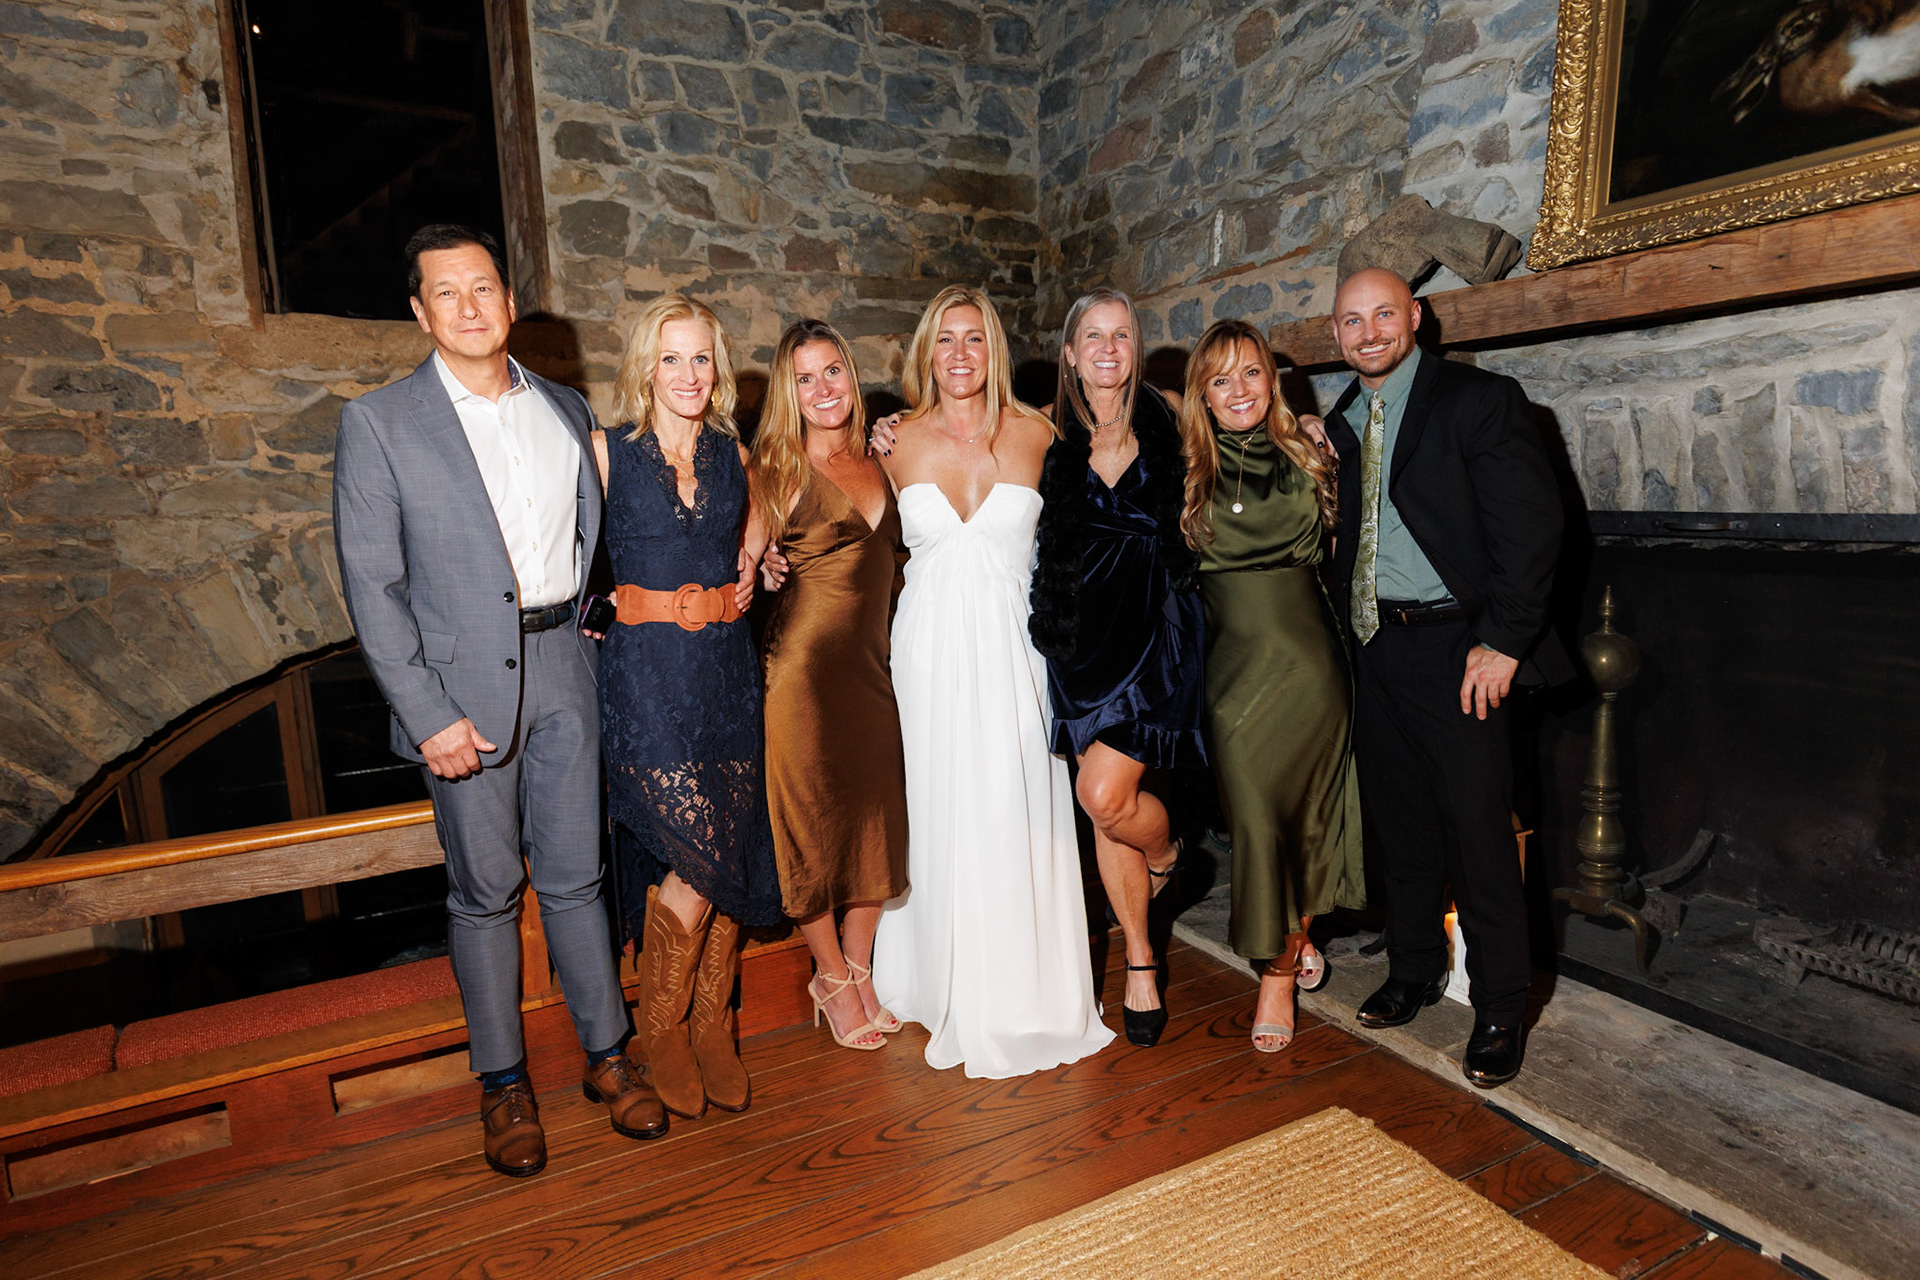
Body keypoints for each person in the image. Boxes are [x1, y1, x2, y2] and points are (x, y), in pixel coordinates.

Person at [333, 224, 662, 1178]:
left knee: (578, 877)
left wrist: (597, 621)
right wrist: (426, 713)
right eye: (447, 292)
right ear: (420, 311)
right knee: (484, 894)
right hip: (460, 692)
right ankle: (505, 1085)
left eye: (483, 287)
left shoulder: (563, 406)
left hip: (566, 666)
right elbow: (373, 589)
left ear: (509, 301)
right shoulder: (380, 423)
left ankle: (608, 1057)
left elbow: (592, 537)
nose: (469, 306)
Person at [1324, 268, 1569, 1087]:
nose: (1369, 332)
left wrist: (1501, 641)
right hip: (1373, 645)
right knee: (1402, 824)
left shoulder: (1480, 400)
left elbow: (1532, 527)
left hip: (1459, 649)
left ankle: (1500, 1006)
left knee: (1478, 833)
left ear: (1416, 316)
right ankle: (1414, 968)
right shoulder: (1342, 419)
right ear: (1336, 334)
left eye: (1383, 315)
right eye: (1352, 320)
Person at [869, 285, 1117, 1078]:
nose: (960, 354)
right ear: (926, 352)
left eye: (974, 338)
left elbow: (1126, 456)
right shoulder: (892, 441)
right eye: (945, 339)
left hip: (1017, 650)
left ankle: (1022, 993)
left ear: (994, 349)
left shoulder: (1040, 433)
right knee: (935, 804)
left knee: (1014, 805)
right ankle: (931, 979)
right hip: (926, 652)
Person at [593, 293, 783, 1119]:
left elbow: (763, 512)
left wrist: (759, 550)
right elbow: (552, 554)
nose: (688, 373)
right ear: (646, 367)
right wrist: (594, 612)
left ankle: (713, 1026)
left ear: (718, 366)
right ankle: (663, 1029)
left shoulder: (733, 454)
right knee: (693, 855)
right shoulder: (606, 452)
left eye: (701, 357)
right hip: (645, 677)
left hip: (725, 674)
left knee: (727, 846)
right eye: (671, 357)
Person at [1179, 319, 1366, 1054]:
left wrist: (1314, 429)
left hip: (1311, 670)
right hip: (1231, 677)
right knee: (1256, 822)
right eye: (1220, 379)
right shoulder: (1181, 467)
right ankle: (1285, 942)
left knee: (1311, 818)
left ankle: (1279, 972)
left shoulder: (1311, 452)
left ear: (1273, 380)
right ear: (1201, 393)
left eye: (1251, 372)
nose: (1238, 390)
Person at [1028, 287, 1206, 1049]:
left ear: (1136, 346)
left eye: (1121, 334)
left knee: (1101, 794)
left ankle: (1168, 853)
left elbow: (1247, 423)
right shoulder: (1039, 430)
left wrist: (1303, 426)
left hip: (1159, 632)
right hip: (1079, 642)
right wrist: (890, 427)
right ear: (1071, 353)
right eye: (1093, 336)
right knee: (1106, 810)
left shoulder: (1173, 413)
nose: (1108, 348)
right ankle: (1140, 960)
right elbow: (960, 439)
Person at [751, 319, 910, 1052]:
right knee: (809, 825)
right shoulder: (773, 471)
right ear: (788, 392)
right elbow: (738, 565)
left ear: (852, 373)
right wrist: (761, 569)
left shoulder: (886, 456)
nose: (822, 389)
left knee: (878, 817)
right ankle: (832, 978)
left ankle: (858, 965)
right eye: (804, 378)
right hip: (802, 675)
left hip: (874, 669)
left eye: (833, 372)